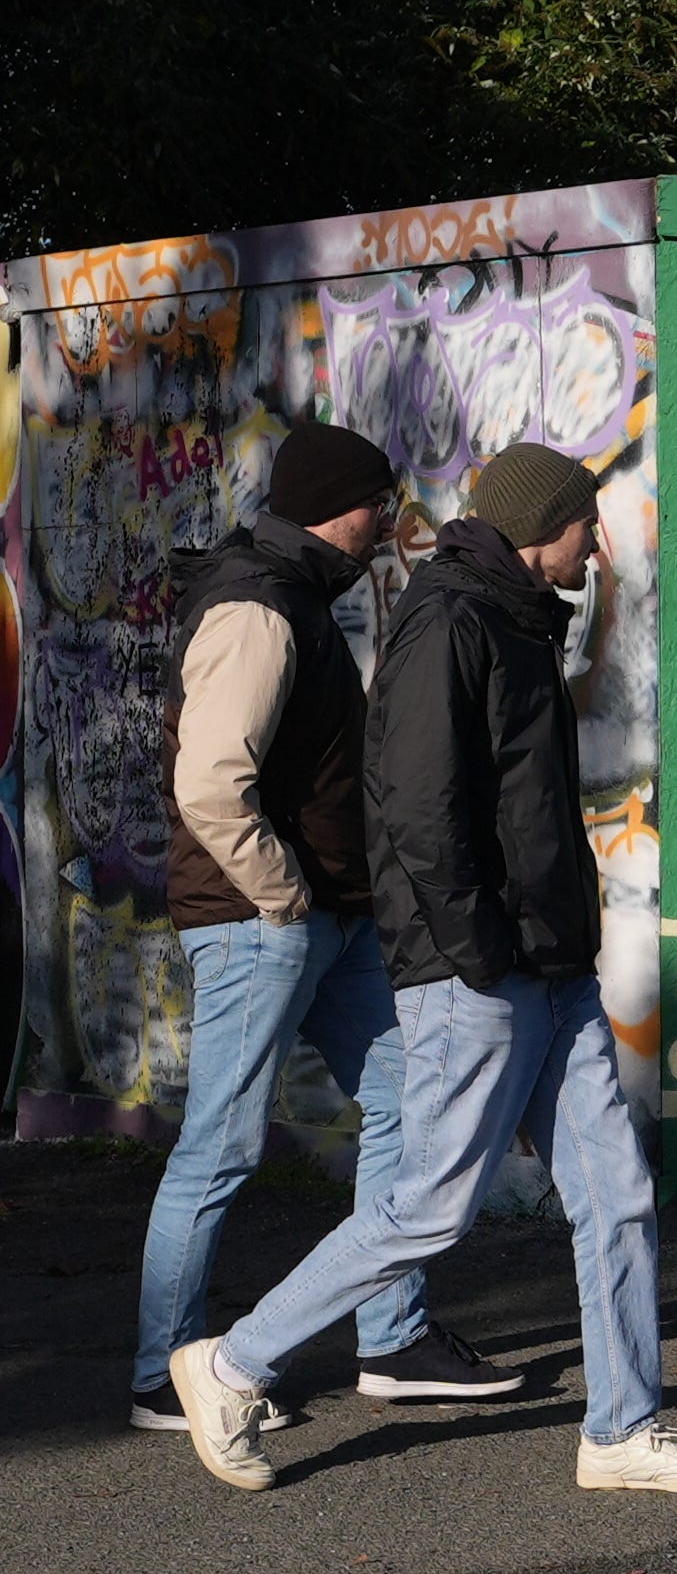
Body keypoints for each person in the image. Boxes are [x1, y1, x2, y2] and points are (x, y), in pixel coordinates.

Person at [167, 442, 677, 1495]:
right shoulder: (452, 622)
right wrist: (481, 957)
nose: (598, 542)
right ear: (540, 525)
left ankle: (620, 1430)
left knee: (615, 1190)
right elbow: (422, 816)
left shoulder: (515, 618)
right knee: (429, 1205)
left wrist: (560, 943)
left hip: (549, 968)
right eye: (584, 522)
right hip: (481, 971)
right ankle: (233, 1363)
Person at [135, 421, 520, 1435]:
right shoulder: (259, 604)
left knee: (408, 1102)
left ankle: (392, 1337)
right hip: (266, 921)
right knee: (218, 1148)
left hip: (323, 921)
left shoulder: (296, 591)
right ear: (335, 504)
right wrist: (280, 893)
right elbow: (212, 779)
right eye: (378, 504)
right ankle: (157, 1371)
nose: (388, 522)